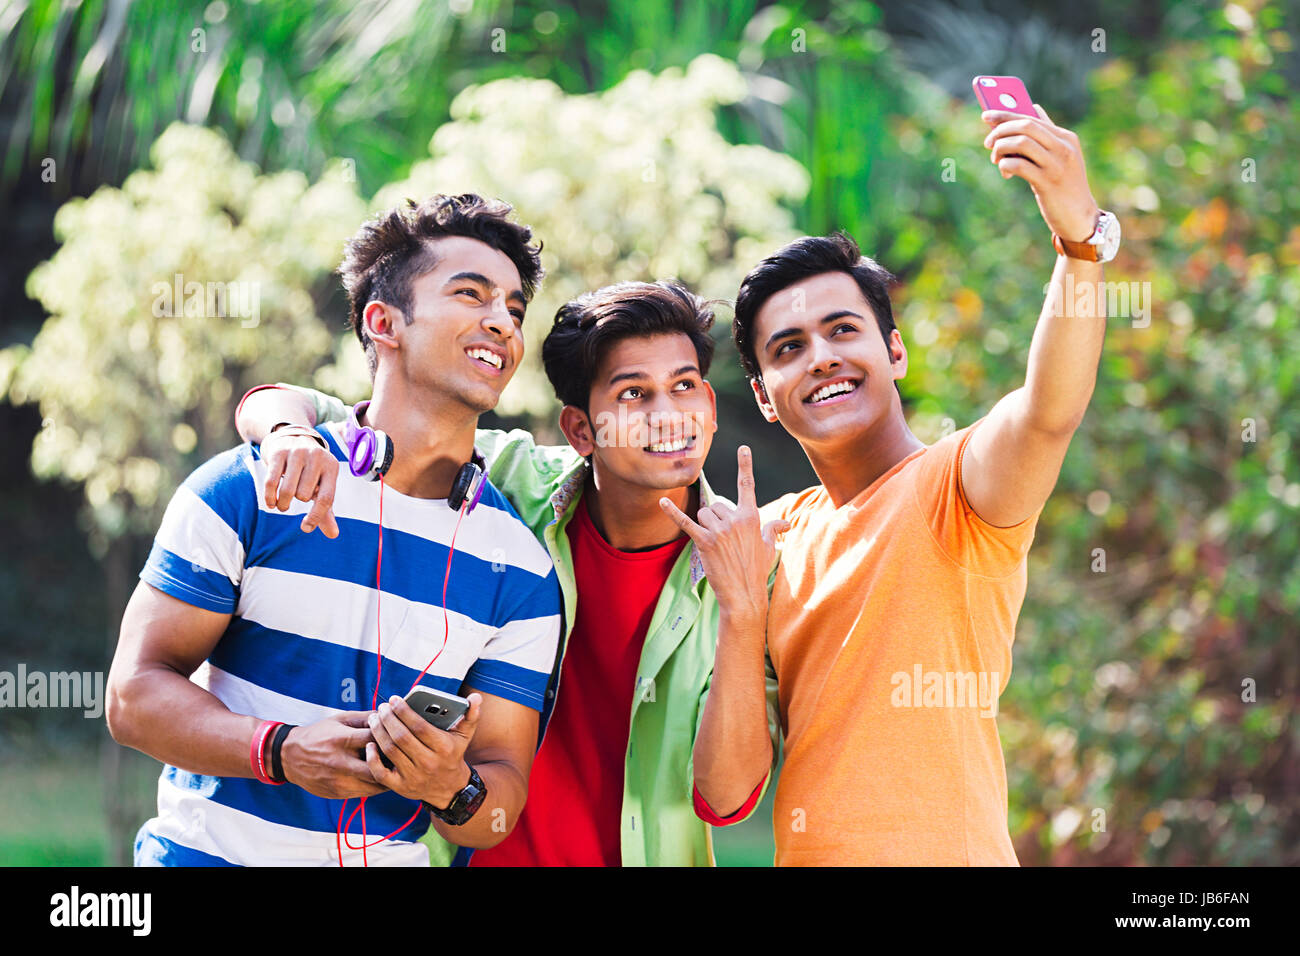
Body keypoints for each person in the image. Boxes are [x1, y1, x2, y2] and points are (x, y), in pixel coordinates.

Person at [668, 103, 1120, 864]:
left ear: (895, 352)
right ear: (766, 394)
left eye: (844, 330)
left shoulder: (958, 489)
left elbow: (1050, 411)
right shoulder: (770, 539)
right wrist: (742, 615)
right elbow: (724, 792)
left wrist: (1080, 243)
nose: (820, 357)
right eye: (789, 347)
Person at [237, 280, 784, 866]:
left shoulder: (754, 566)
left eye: (683, 387)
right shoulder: (504, 482)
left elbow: (726, 800)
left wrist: (742, 608)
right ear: (579, 431)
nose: (668, 415)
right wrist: (287, 433)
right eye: (633, 394)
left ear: (711, 404)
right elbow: (303, 408)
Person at [106, 193, 562, 866]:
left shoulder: (521, 571)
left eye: (514, 309)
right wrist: (279, 752)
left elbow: (497, 805)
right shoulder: (249, 488)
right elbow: (133, 698)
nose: (503, 323)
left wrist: (451, 787)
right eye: (472, 295)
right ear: (384, 322)